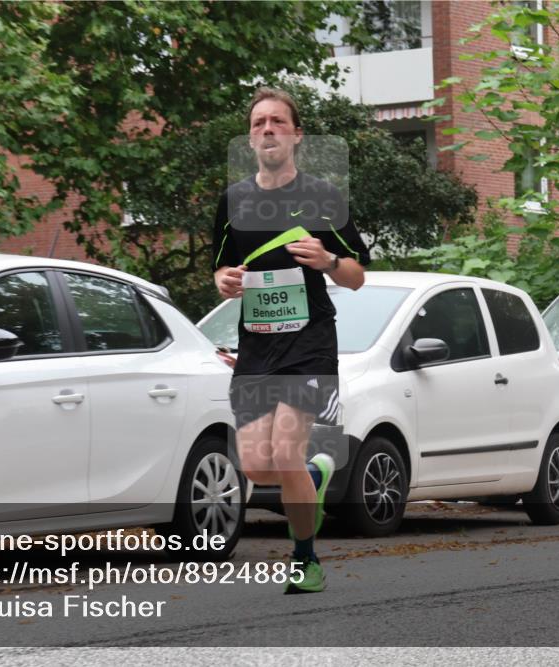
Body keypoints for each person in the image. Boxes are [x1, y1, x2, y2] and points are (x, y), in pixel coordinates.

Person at [211, 87, 370, 594]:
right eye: (259, 123)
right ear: (249, 137)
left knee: (283, 453)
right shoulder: (233, 201)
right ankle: (315, 477)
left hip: (310, 343)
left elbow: (356, 275)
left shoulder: (321, 198)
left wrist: (327, 262)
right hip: (257, 343)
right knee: (257, 465)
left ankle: (305, 560)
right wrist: (223, 281)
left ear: (296, 135)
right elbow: (219, 267)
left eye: (278, 121)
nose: (268, 130)